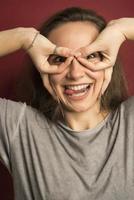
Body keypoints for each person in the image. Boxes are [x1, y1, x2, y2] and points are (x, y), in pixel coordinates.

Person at [0, 7, 134, 200]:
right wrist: (24, 38)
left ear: (109, 62)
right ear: (42, 67)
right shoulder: (18, 128)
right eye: (59, 59)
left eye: (91, 56)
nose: (75, 73)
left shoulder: (130, 122)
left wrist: (121, 30)